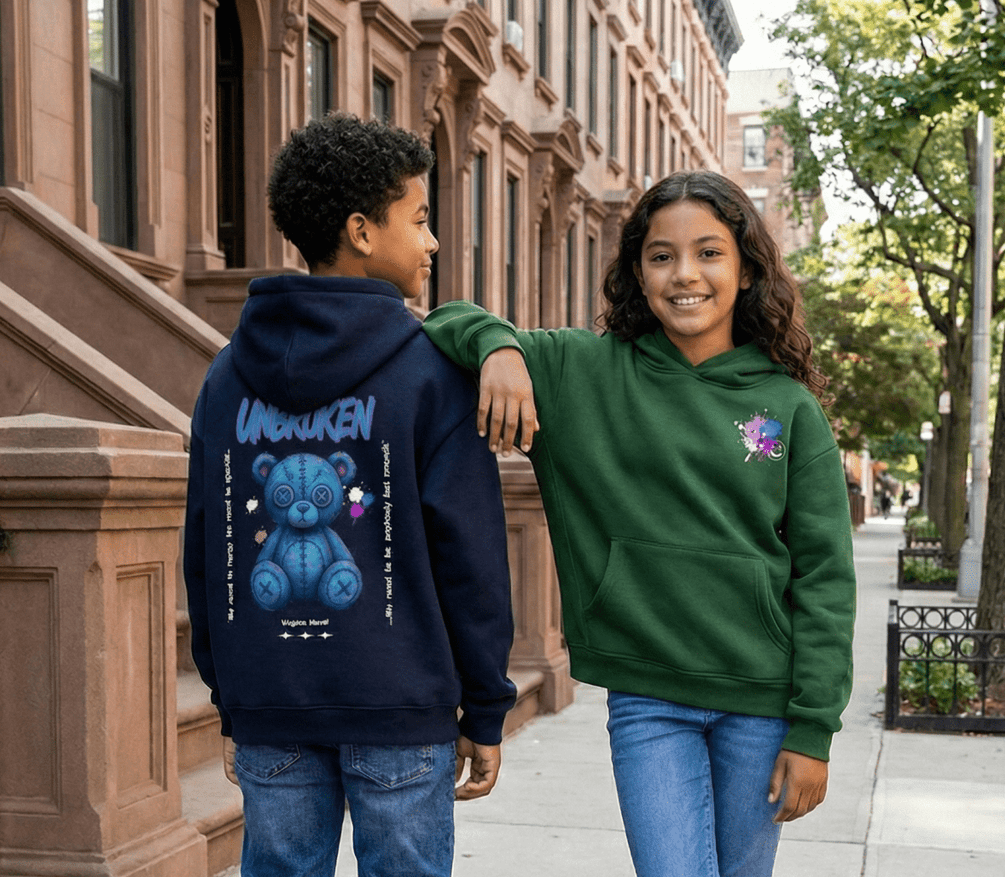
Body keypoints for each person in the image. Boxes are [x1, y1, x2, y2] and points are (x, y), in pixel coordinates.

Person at [422, 171, 856, 877]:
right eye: (661, 255)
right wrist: (500, 348)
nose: (685, 273)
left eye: (709, 252)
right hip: (650, 702)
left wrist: (813, 730)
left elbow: (826, 576)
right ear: (638, 272)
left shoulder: (786, 407)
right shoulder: (582, 371)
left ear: (746, 270)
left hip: (760, 704)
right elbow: (443, 321)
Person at [183, 113, 516, 877]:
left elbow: (206, 543)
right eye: (421, 218)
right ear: (362, 231)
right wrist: (486, 703)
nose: (433, 241)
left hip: (271, 700)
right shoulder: (433, 372)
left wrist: (228, 693)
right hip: (400, 708)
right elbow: (470, 553)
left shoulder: (226, 376)